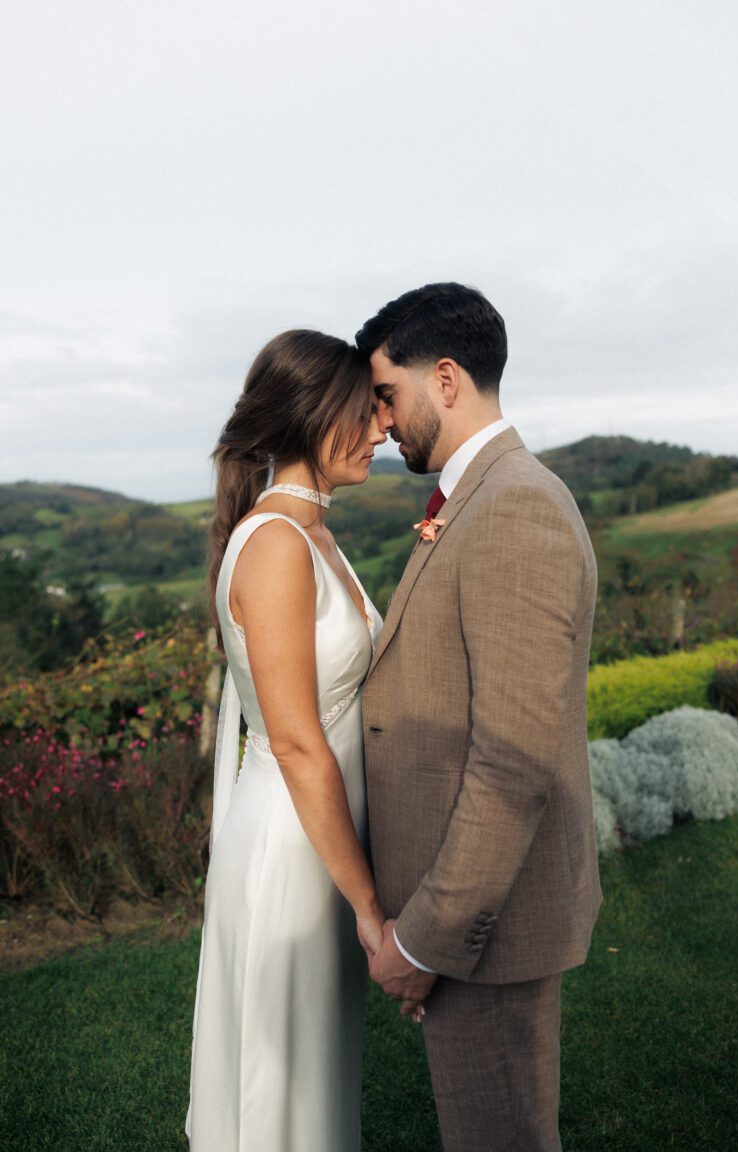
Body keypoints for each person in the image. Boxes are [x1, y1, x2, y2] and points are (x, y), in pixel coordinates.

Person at [356, 283, 602, 1152]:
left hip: (483, 927)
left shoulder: (514, 508)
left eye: (386, 394)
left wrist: (423, 942)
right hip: (473, 920)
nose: (379, 423)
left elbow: (513, 761)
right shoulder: (479, 498)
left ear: (447, 378)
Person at [186, 329, 388, 1152]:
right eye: (364, 412)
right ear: (313, 415)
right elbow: (300, 744)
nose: (381, 430)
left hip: (324, 850)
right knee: (285, 1095)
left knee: (318, 1082)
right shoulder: (274, 543)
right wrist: (371, 905)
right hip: (291, 849)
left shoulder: (313, 534)